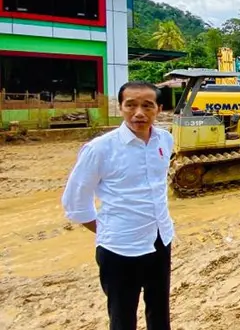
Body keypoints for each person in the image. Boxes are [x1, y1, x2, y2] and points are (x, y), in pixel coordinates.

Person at [62, 81, 175, 329]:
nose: (139, 113)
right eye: (131, 105)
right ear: (121, 107)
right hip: (119, 250)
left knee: (159, 311)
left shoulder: (164, 140)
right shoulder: (100, 149)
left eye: (147, 105)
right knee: (123, 317)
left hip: (161, 240)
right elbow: (75, 202)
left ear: (159, 108)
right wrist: (108, 231)